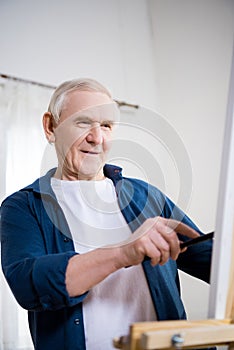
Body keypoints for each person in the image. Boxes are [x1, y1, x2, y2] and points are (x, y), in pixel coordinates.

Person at [0, 78, 213, 350]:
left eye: (106, 126)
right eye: (83, 122)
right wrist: (123, 253)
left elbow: (214, 263)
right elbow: (29, 285)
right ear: (51, 127)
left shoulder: (148, 197)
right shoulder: (23, 207)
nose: (97, 138)